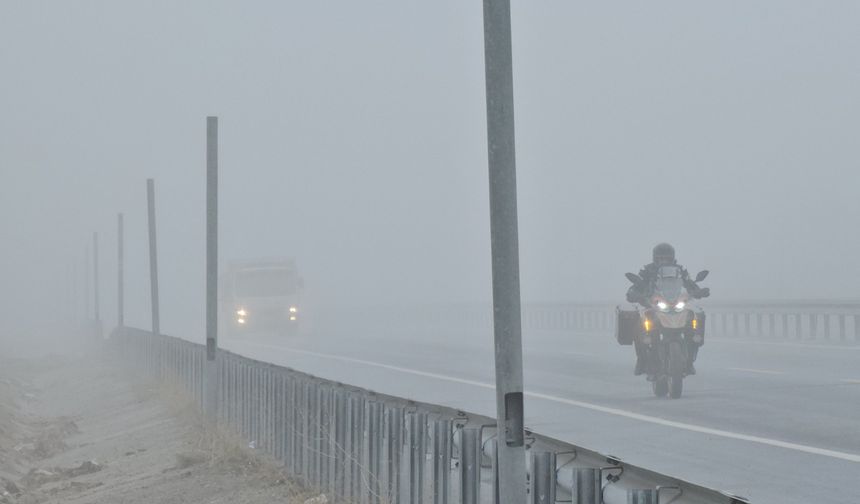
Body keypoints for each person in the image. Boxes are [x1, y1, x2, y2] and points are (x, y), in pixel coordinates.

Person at [626, 243, 709, 375]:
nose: (663, 261)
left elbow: (690, 284)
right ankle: (641, 360)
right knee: (639, 327)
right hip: (654, 306)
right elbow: (638, 284)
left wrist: (698, 291)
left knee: (694, 322)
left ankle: (689, 361)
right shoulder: (647, 271)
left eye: (667, 258)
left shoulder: (680, 271)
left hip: (676, 304)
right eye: (660, 258)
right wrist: (634, 293)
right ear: (655, 258)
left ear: (672, 258)